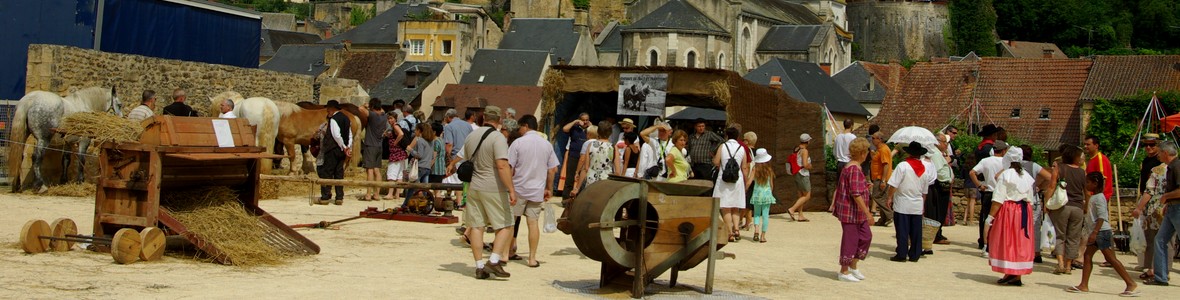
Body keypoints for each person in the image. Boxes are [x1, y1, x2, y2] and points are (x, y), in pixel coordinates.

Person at [460, 106, 517, 280]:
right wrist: (511, 189)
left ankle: (479, 266)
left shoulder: (471, 136)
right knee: (506, 224)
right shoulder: (497, 137)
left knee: (477, 226)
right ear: (499, 119)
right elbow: (501, 165)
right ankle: (493, 260)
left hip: (474, 186)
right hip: (493, 187)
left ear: (483, 117)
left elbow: (466, 158)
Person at [1065, 172, 1140, 295]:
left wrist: (1094, 232)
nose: (1086, 184)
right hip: (1096, 232)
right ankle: (1084, 285)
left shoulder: (1099, 198)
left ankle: (1130, 283)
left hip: (1101, 232)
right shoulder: (1095, 197)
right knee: (1087, 256)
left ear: (1095, 184)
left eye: (1088, 182)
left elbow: (1102, 217)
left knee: (1111, 259)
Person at [507, 115, 557, 268]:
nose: (520, 130)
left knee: (511, 222)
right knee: (533, 223)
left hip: (519, 188)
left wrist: (509, 188)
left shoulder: (518, 143)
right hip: (537, 190)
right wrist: (549, 188)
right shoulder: (547, 144)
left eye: (521, 127)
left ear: (526, 126)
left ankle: (507, 252)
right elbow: (552, 170)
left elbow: (509, 167)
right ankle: (532, 258)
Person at [987, 147, 1036, 286]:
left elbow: (998, 198)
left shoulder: (1006, 174)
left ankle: (1012, 273)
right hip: (1024, 211)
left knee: (1008, 240)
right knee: (1019, 242)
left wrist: (990, 217)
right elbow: (1030, 199)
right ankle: (1014, 274)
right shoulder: (1025, 175)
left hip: (1009, 211)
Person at [1133, 136, 1175, 281]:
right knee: (1166, 240)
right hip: (1168, 207)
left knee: (1156, 240)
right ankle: (1163, 271)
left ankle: (1155, 269)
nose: (1149, 148)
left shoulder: (1157, 170)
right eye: (1146, 145)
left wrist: (1139, 208)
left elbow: (1149, 191)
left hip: (1158, 208)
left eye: (1152, 145)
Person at [886, 142, 936, 262]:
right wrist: (922, 204)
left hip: (903, 202)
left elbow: (893, 184)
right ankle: (915, 254)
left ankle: (902, 253)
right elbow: (925, 191)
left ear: (908, 153)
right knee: (916, 231)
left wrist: (889, 197)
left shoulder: (903, 166)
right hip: (917, 202)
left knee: (902, 230)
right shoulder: (924, 169)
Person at [834, 137, 873, 282]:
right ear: (863, 153)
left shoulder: (854, 167)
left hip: (856, 213)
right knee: (850, 240)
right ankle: (843, 270)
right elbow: (855, 194)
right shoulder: (853, 169)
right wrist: (868, 213)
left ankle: (853, 265)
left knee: (866, 236)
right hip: (851, 212)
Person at [1048, 145, 1088, 275]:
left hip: (1062, 206)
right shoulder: (1082, 172)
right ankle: (1069, 265)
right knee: (1074, 237)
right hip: (1077, 207)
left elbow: (1052, 186)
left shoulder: (1060, 168)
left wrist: (1047, 203)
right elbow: (1086, 191)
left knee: (1061, 236)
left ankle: (1060, 263)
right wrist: (1086, 205)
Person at [1146, 141, 1180, 286]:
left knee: (1160, 240)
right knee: (1160, 240)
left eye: (1159, 152)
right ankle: (1161, 277)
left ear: (1165, 153)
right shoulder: (1171, 167)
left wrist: (1166, 197)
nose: (1158, 155)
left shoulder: (1177, 166)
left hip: (1178, 208)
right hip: (1172, 208)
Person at [971, 140, 1010, 253]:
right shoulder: (1006, 163)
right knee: (1000, 219)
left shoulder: (986, 161)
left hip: (988, 192)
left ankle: (985, 243)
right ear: (1003, 151)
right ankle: (997, 244)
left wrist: (979, 185)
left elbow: (972, 172)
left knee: (986, 219)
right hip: (1001, 193)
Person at [1018, 145, 1053, 264]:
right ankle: (1036, 252)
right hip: (1032, 198)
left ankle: (1020, 250)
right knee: (1035, 227)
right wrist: (1038, 186)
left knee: (1018, 226)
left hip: (1017, 199)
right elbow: (1049, 177)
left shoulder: (1013, 165)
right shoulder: (1034, 166)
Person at [714, 127, 750, 242]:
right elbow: (744, 167)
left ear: (726, 135)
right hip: (737, 179)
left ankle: (730, 232)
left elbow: (716, 162)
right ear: (738, 136)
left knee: (725, 207)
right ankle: (737, 229)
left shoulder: (722, 146)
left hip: (724, 179)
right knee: (735, 207)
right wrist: (746, 181)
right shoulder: (742, 148)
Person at [317, 100, 352, 205]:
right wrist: (348, 147)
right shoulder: (346, 118)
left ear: (332, 108)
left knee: (327, 172)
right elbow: (350, 135)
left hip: (333, 149)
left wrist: (343, 146)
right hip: (342, 151)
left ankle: (325, 196)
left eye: (328, 108)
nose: (327, 110)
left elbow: (336, 135)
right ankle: (339, 197)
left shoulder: (333, 119)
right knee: (339, 173)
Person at [966, 124, 1001, 228]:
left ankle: (982, 237)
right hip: (991, 181)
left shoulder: (979, 147)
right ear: (992, 135)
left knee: (984, 212)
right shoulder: (990, 149)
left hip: (982, 179)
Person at [925, 136, 954, 250]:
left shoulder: (938, 153)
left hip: (941, 185)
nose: (947, 145)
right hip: (940, 185)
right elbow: (938, 171)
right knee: (938, 211)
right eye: (945, 142)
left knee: (939, 211)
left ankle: (937, 233)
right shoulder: (936, 154)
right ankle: (936, 234)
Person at [571, 122, 614, 196]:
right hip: (606, 182)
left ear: (598, 132)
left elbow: (585, 168)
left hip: (591, 181)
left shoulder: (591, 145)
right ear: (610, 133)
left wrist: (577, 188)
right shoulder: (613, 147)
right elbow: (617, 172)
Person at [359, 99, 389, 201]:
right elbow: (383, 110)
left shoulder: (372, 115)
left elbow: (360, 109)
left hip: (370, 145)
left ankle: (368, 194)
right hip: (379, 145)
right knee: (377, 170)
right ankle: (376, 194)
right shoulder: (384, 117)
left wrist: (365, 105)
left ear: (372, 107)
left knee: (370, 170)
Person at [403, 121, 437, 204]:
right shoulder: (431, 141)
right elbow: (432, 156)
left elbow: (419, 155)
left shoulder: (420, 140)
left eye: (416, 130)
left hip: (420, 167)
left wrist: (410, 150)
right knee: (425, 189)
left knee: (412, 187)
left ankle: (406, 204)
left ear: (420, 131)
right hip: (427, 167)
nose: (415, 132)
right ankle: (425, 204)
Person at [561, 113, 591, 197]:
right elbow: (564, 129)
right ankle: (566, 199)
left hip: (585, 158)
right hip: (573, 155)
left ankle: (579, 198)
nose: (585, 122)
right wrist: (575, 122)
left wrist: (591, 126)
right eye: (583, 120)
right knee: (570, 178)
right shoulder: (574, 128)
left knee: (583, 179)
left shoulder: (590, 129)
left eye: (587, 120)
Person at [750, 148, 775, 243]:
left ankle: (756, 230)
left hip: (757, 194)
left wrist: (746, 187)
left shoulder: (755, 169)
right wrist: (770, 192)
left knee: (756, 214)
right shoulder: (769, 170)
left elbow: (750, 180)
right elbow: (771, 184)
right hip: (767, 195)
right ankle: (763, 236)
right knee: (765, 216)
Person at [832, 119, 857, 211]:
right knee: (850, 185)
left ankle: (834, 205)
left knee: (839, 185)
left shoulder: (838, 137)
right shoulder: (853, 137)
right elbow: (854, 151)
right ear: (852, 126)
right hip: (848, 162)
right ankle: (847, 204)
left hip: (839, 162)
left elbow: (834, 152)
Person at [788, 133, 814, 222]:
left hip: (796, 173)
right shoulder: (804, 151)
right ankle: (792, 209)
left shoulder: (796, 148)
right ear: (807, 141)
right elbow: (805, 164)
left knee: (800, 194)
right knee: (807, 195)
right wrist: (810, 166)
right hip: (803, 174)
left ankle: (800, 215)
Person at [870, 132, 893, 226]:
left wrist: (883, 180)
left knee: (876, 196)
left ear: (879, 139)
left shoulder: (883, 150)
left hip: (881, 178)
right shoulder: (879, 149)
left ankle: (889, 214)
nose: (872, 140)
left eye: (873, 138)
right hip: (878, 177)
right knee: (882, 198)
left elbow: (886, 165)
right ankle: (883, 219)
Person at [383, 113, 409, 200]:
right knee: (399, 175)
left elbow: (401, 134)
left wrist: (395, 142)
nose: (390, 120)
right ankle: (397, 194)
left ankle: (390, 194)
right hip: (400, 153)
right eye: (388, 119)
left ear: (395, 119)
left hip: (396, 153)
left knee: (392, 173)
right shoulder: (393, 127)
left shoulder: (395, 126)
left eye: (391, 118)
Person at [1083, 135, 1115, 200]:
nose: (1085, 146)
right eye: (1085, 144)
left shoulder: (1100, 159)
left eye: (1088, 144)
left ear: (1096, 146)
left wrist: (1098, 197)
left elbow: (1102, 179)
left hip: (1099, 197)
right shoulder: (1092, 159)